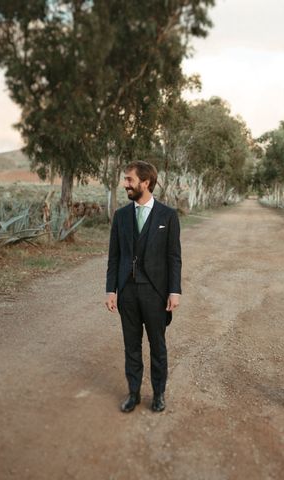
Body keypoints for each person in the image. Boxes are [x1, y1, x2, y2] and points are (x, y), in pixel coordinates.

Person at [105, 161, 182, 413]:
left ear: (145, 182)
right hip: (127, 292)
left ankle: (159, 394)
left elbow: (173, 257)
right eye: (125, 179)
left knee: (157, 346)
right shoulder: (121, 216)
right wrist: (111, 290)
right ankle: (134, 393)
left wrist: (174, 290)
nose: (125, 184)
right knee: (131, 345)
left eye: (129, 180)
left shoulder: (168, 215)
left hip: (155, 293)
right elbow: (114, 257)